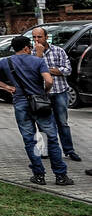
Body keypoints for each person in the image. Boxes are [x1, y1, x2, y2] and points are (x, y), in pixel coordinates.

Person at [0, 35, 71, 185]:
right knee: (51, 138)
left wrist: (6, 87)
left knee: (30, 140)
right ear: (25, 47)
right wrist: (45, 91)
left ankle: (39, 174)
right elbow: (49, 80)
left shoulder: (7, 61)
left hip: (20, 103)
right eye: (30, 46)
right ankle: (60, 175)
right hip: (40, 103)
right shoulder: (38, 61)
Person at [33, 26, 82, 163]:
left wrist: (46, 71)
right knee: (42, 123)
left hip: (60, 91)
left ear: (46, 37)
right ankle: (44, 150)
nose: (36, 40)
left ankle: (69, 150)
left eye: (39, 37)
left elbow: (67, 70)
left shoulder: (58, 51)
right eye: (34, 37)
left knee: (62, 123)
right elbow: (33, 73)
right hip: (42, 94)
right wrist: (40, 58)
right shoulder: (32, 53)